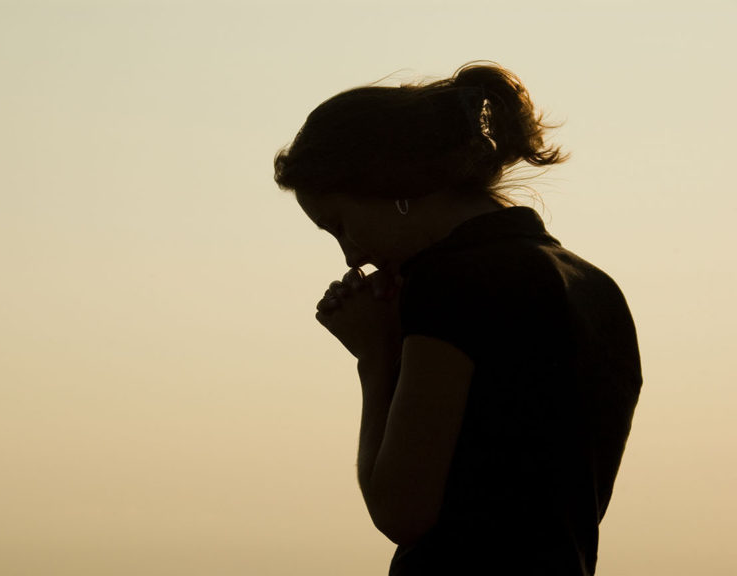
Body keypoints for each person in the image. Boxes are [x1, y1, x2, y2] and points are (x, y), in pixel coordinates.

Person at [272, 62, 642, 575]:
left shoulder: (452, 285)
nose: (350, 257)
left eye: (341, 224)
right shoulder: (597, 289)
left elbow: (402, 512)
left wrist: (377, 357)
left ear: (393, 184)